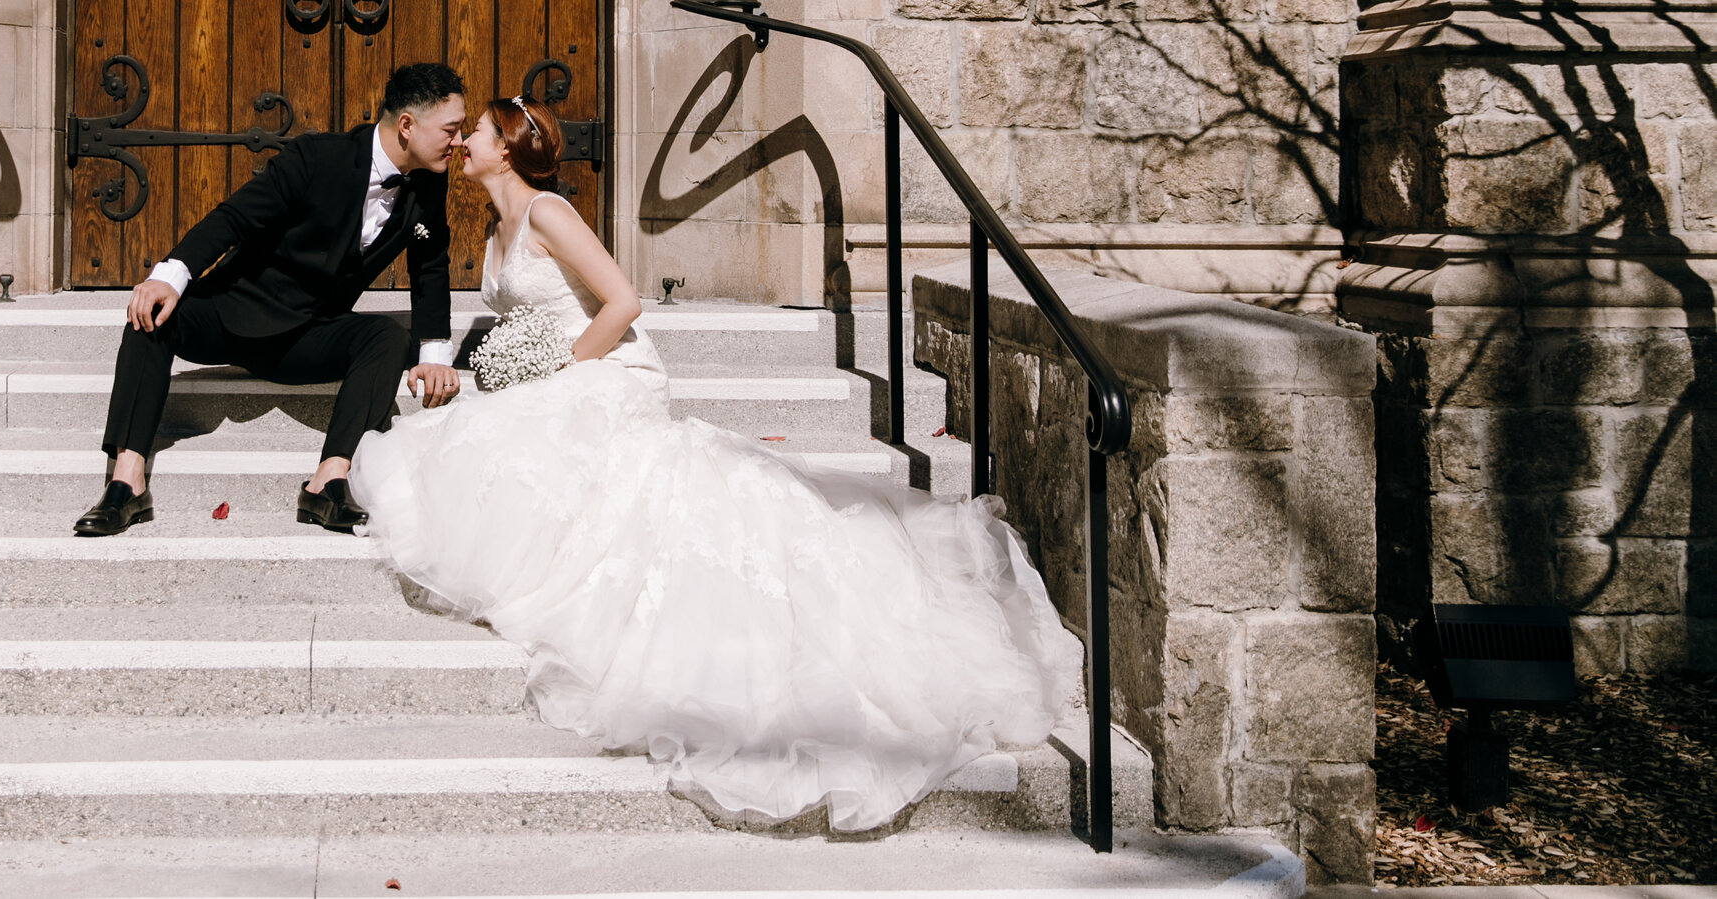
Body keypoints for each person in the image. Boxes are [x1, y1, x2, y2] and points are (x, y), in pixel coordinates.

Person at [348, 97, 1082, 830]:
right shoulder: (491, 222)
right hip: (556, 376)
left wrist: (557, 368)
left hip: (602, 369)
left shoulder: (547, 213)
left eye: (472, 130)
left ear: (504, 147)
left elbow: (623, 302)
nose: (463, 141)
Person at [73, 62, 468, 537]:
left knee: (385, 336)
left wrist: (433, 355)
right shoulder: (317, 157)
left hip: (305, 337)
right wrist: (169, 276)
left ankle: (328, 482)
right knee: (149, 317)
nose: (459, 140)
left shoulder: (428, 181)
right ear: (407, 125)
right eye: (451, 128)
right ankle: (127, 483)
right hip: (232, 315)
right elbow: (234, 218)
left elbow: (430, 266)